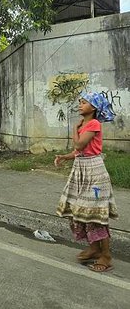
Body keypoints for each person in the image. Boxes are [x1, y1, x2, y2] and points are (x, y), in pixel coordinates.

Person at [55, 91, 118, 273]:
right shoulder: (86, 124)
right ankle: (94, 248)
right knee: (80, 210)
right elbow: (79, 152)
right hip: (81, 171)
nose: (80, 105)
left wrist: (75, 129)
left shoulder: (93, 123)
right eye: (80, 102)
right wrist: (65, 157)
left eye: (84, 102)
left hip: (94, 173)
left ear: (94, 107)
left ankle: (105, 255)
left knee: (96, 214)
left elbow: (79, 145)